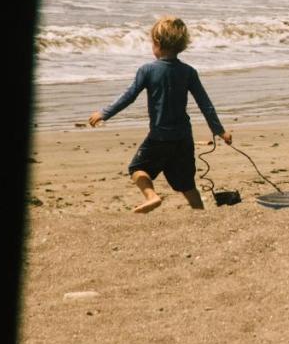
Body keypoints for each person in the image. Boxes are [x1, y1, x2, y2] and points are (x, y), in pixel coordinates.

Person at [87, 16, 231, 213]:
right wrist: (220, 131)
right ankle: (200, 213)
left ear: (157, 43)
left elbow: (128, 97)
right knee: (186, 183)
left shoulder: (147, 70)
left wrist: (104, 113)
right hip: (183, 138)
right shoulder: (189, 71)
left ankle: (152, 196)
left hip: (159, 137)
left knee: (137, 169)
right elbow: (205, 104)